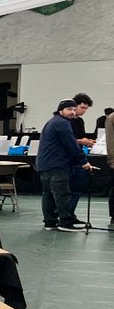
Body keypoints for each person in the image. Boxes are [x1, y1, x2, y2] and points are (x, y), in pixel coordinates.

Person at [37, 99, 92, 232]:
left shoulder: (53, 121)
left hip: (45, 164)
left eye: (74, 109)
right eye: (69, 109)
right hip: (56, 164)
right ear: (61, 110)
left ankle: (50, 222)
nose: (72, 112)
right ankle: (65, 222)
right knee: (62, 194)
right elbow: (71, 144)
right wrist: (84, 161)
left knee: (48, 194)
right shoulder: (62, 123)